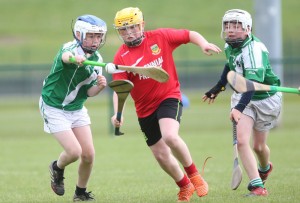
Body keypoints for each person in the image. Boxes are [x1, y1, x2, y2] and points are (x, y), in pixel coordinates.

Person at [107, 7, 221, 202]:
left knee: (170, 136)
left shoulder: (160, 37)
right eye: (123, 30)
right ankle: (184, 186)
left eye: (132, 27)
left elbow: (188, 34)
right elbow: (120, 88)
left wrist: (202, 43)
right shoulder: (121, 57)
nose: (128, 33)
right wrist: (119, 113)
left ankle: (194, 175)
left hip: (168, 97)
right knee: (160, 155)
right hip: (144, 110)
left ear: (142, 25)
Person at [202, 9, 282, 196]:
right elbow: (230, 65)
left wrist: (238, 108)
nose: (230, 30)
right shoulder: (231, 45)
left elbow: (252, 84)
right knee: (242, 142)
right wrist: (218, 87)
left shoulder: (254, 50)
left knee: (259, 147)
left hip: (265, 99)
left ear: (247, 29)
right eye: (228, 26)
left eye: (236, 26)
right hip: (243, 94)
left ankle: (265, 168)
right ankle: (257, 186)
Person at [39, 14, 108, 201]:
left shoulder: (97, 60)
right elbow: (65, 56)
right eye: (91, 36)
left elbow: (88, 93)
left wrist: (100, 87)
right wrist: (75, 58)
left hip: (76, 109)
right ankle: (57, 168)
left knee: (88, 155)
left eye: (98, 36)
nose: (95, 41)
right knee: (74, 152)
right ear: (79, 34)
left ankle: (80, 193)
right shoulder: (69, 48)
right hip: (53, 106)